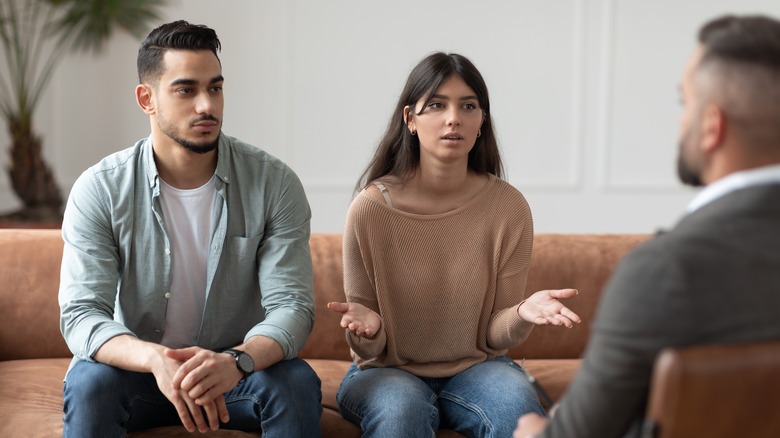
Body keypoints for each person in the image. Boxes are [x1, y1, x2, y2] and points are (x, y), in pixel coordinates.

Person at [515, 14, 780, 438]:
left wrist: (532, 430)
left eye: (685, 103)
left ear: (712, 126)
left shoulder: (665, 271)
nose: (681, 122)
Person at [58, 20, 321, 438]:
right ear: (147, 98)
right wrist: (154, 359)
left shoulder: (273, 182)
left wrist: (238, 360)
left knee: (295, 382)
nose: (206, 106)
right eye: (186, 90)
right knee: (91, 384)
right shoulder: (101, 188)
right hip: (140, 372)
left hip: (234, 373)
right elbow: (81, 314)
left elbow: (292, 306)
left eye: (214, 88)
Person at [326, 52, 582, 438]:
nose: (453, 118)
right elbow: (367, 347)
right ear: (410, 119)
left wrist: (523, 313)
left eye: (468, 106)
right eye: (436, 105)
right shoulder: (370, 209)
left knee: (516, 407)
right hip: (386, 370)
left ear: (482, 121)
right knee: (401, 414)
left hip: (478, 368)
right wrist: (370, 330)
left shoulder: (508, 207)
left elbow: (493, 336)